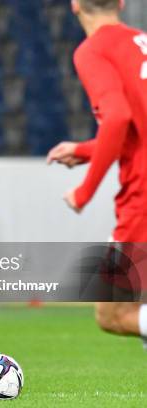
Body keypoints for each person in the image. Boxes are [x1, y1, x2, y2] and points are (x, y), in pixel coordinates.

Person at [46, 0, 147, 347]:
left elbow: (117, 118)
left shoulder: (92, 50)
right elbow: (136, 126)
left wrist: (85, 191)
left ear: (75, 6)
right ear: (120, 3)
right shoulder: (142, 42)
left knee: (114, 315)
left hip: (143, 194)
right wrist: (88, 150)